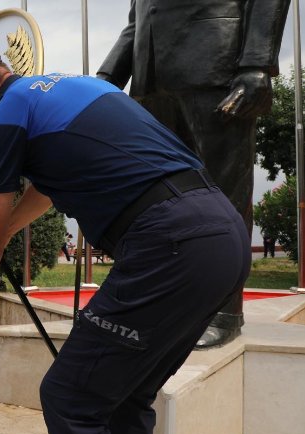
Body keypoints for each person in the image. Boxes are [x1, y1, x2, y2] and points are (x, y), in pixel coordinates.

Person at [0, 47, 250, 434]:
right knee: (127, 396)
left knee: (70, 398)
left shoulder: (3, 117)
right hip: (224, 233)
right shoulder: (73, 86)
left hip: (171, 242)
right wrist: (10, 228)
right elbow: (46, 188)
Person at [97, 0, 290, 348]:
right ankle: (164, 306)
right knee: (157, 201)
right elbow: (139, 18)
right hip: (150, 78)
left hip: (216, 66)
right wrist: (106, 79)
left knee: (224, 196)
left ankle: (222, 312)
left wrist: (257, 64)